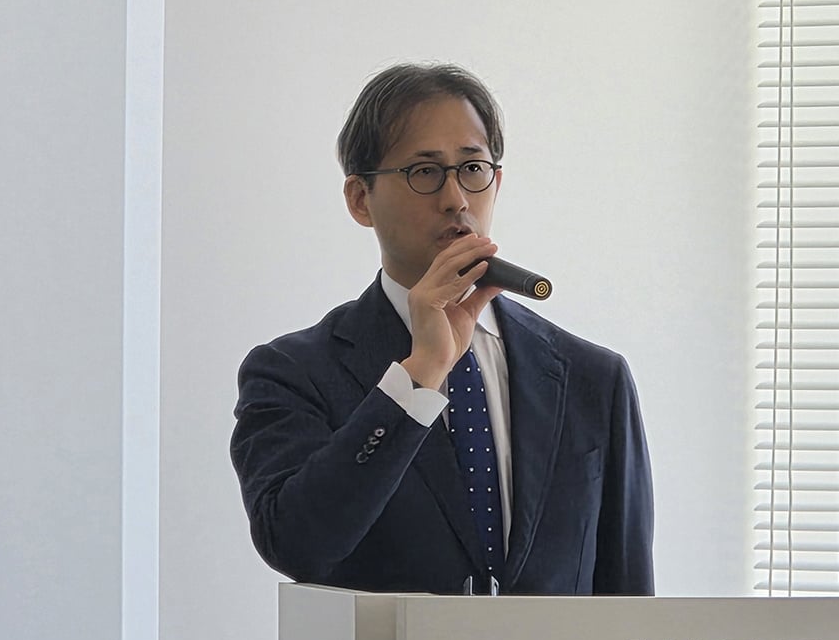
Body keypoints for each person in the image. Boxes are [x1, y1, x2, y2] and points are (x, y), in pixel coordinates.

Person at [230, 63, 654, 595]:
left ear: (496, 182)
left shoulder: (593, 377)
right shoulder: (293, 372)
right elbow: (297, 545)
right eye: (425, 172)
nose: (456, 199)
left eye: (473, 168)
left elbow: (627, 604)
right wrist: (420, 375)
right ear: (360, 199)